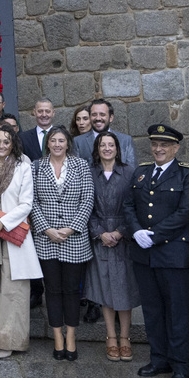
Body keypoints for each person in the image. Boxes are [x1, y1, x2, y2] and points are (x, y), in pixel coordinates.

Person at [125, 125, 189, 378]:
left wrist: (153, 235)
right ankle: (159, 359)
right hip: (145, 256)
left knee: (178, 312)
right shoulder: (142, 172)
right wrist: (136, 232)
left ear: (176, 148)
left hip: (175, 255)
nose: (158, 149)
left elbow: (187, 212)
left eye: (165, 145)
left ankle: (181, 365)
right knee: (153, 310)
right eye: (155, 144)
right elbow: (128, 206)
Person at [0, 126, 41, 358]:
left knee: (13, 291)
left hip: (12, 233)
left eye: (6, 142)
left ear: (13, 144)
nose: (1, 146)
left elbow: (26, 203)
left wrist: (3, 223)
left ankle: (11, 341)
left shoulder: (23, 164)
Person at [30, 126, 94, 361]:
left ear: (68, 143)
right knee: (52, 290)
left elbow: (88, 199)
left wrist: (70, 228)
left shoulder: (81, 165)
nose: (57, 144)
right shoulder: (36, 167)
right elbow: (32, 200)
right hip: (46, 238)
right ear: (48, 144)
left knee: (71, 291)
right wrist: (46, 228)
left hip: (74, 239)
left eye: (61, 140)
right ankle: (57, 336)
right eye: (53, 140)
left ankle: (71, 336)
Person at [84, 131, 140, 364]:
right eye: (102, 145)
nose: (107, 148)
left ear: (118, 148)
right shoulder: (89, 173)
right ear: (97, 150)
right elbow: (86, 206)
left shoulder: (129, 172)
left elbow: (135, 207)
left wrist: (119, 232)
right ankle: (110, 337)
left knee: (124, 288)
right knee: (105, 289)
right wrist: (100, 233)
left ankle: (125, 337)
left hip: (123, 239)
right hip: (100, 238)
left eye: (111, 145)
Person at [72, 99, 136, 168]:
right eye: (94, 114)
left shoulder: (126, 140)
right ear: (90, 117)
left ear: (111, 117)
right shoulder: (78, 142)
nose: (98, 118)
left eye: (102, 114)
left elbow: (132, 171)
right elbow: (76, 172)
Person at [20, 98, 56, 163]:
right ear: (34, 112)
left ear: (53, 113)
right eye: (40, 111)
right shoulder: (23, 138)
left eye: (47, 111)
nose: (44, 115)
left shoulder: (63, 136)